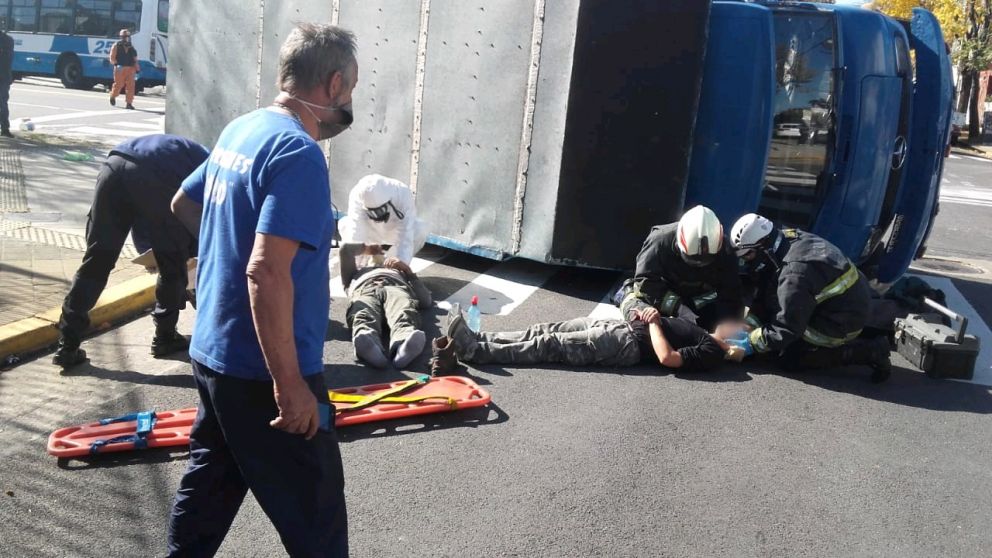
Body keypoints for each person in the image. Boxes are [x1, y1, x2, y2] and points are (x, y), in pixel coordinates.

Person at [166, 23, 356, 557]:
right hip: (262, 372)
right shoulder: (298, 154)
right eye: (352, 90)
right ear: (334, 84)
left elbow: (183, 203)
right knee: (317, 519)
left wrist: (218, 257)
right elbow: (266, 273)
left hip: (213, 356)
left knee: (207, 496)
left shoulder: (242, 130)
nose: (350, 104)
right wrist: (290, 384)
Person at [52, 134, 208, 368]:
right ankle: (165, 337)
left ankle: (68, 344)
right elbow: (197, 225)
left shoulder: (197, 153)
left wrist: (152, 253)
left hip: (114, 166)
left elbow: (145, 221)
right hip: (156, 175)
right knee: (172, 263)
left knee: (97, 259)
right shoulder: (212, 167)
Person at [728, 213, 891, 382]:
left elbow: (788, 328)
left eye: (748, 255)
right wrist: (750, 324)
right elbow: (766, 289)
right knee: (774, 321)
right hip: (842, 302)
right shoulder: (785, 241)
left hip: (840, 321)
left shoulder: (795, 273)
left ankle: (869, 351)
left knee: (788, 358)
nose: (745, 261)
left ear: (763, 245)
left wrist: (751, 343)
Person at [442, 304, 741, 372]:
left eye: (739, 332)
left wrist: (653, 324)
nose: (734, 325)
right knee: (544, 330)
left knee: (549, 345)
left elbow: (668, 358)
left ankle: (476, 352)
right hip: (619, 327)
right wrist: (643, 312)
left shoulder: (710, 350)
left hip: (626, 345)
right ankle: (479, 337)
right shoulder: (702, 328)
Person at [618, 205, 743, 332]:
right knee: (644, 325)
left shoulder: (726, 250)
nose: (697, 265)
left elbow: (730, 292)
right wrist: (678, 308)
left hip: (697, 298)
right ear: (679, 242)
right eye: (692, 259)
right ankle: (626, 295)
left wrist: (729, 323)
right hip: (663, 294)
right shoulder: (660, 241)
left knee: (714, 331)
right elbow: (646, 282)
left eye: (704, 261)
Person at [339, 242, 431, 368]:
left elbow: (425, 300)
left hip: (395, 286)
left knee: (403, 308)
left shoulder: (398, 271)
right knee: (362, 311)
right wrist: (368, 249)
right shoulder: (355, 274)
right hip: (365, 289)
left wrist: (407, 271)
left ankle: (404, 344)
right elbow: (345, 250)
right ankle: (368, 343)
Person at [338, 174, 429, 264]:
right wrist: (355, 264)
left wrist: (401, 263)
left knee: (420, 229)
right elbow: (356, 230)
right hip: (371, 230)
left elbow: (406, 234)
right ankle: (362, 263)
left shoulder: (403, 193)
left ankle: (390, 262)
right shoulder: (357, 194)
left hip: (393, 232)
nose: (376, 216)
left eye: (380, 211)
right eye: (371, 212)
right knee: (344, 225)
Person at [109, 28, 139, 109]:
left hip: (130, 69)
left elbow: (135, 58)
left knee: (131, 86)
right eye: (124, 36)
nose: (125, 38)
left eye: (127, 36)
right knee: (118, 85)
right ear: (121, 37)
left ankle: (129, 103)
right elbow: (112, 57)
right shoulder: (116, 45)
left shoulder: (131, 47)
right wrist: (116, 64)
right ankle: (113, 96)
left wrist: (137, 68)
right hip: (120, 69)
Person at [0, 27, 14, 138]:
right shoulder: (8, 40)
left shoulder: (7, 40)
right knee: (3, 103)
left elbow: (5, 59)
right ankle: (4, 129)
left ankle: (4, 128)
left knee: (2, 103)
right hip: (5, 76)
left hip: (3, 76)